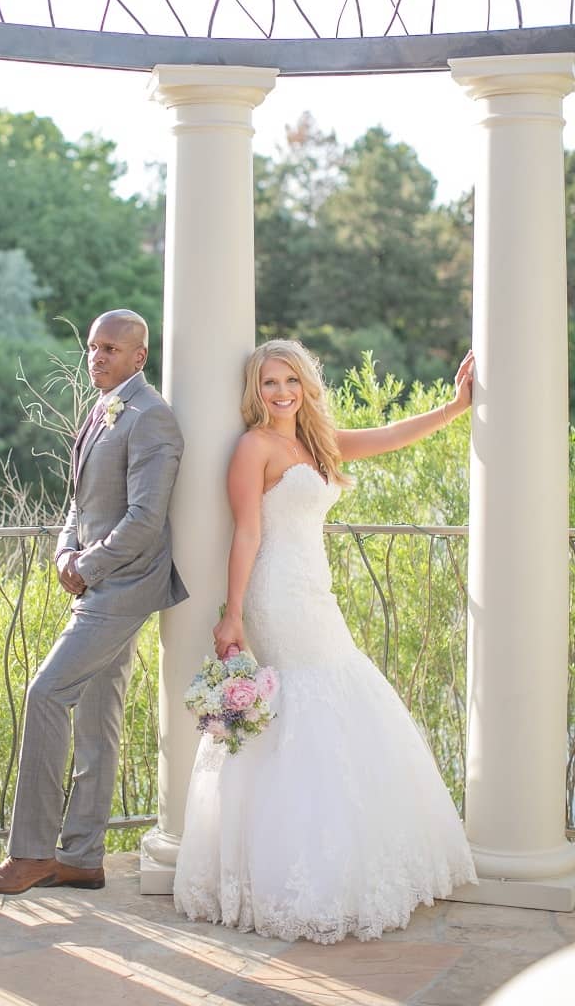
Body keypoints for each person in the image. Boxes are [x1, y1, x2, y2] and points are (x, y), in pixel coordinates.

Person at [174, 339, 477, 943]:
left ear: (305, 385)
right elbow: (246, 535)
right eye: (269, 384)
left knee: (334, 700)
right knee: (308, 700)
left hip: (316, 589)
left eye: (290, 381)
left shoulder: (315, 443)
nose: (282, 393)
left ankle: (342, 856)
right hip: (277, 596)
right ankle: (293, 872)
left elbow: (390, 435)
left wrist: (453, 409)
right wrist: (232, 615)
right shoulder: (253, 447)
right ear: (254, 393)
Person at [0, 309, 187, 895]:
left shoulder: (152, 418)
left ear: (139, 357)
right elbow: (79, 503)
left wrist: (86, 567)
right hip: (96, 577)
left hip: (124, 583)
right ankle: (83, 856)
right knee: (97, 717)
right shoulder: (102, 408)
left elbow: (145, 519)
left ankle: (32, 854)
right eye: (93, 347)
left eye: (111, 349)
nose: (97, 356)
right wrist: (65, 550)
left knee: (46, 693)